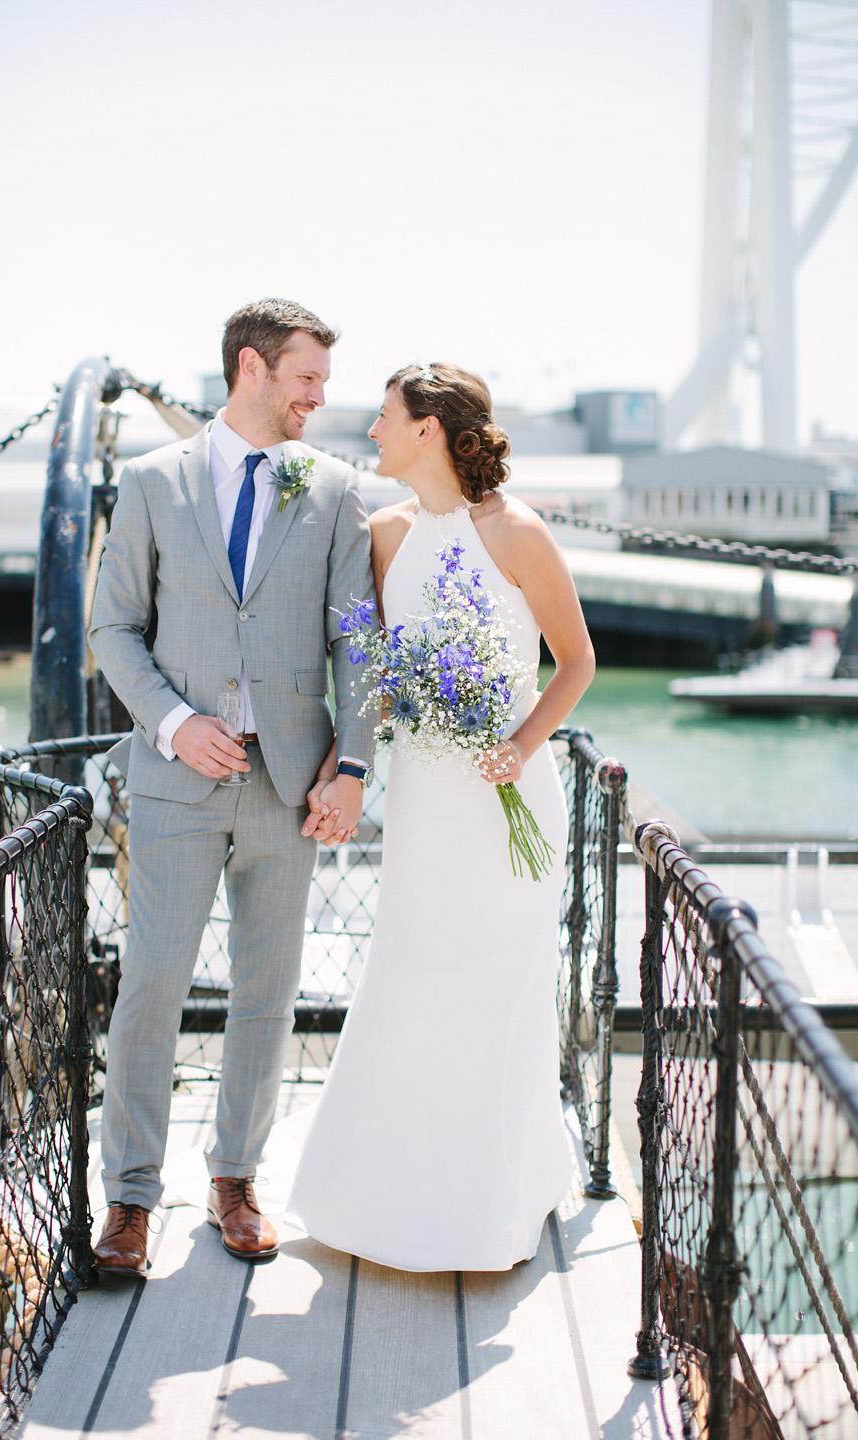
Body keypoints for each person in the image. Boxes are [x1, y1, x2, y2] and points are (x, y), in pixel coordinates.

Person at [88, 298, 375, 1276]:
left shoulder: (335, 489)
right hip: (175, 780)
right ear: (252, 367)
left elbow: (359, 642)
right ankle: (129, 1197)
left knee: (267, 993)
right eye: (307, 378)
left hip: (292, 786)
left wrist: (353, 765)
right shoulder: (151, 482)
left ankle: (235, 1180)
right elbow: (113, 628)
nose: (319, 398)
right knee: (153, 984)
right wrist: (174, 723)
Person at [289, 363, 596, 1272]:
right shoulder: (384, 534)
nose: (373, 431)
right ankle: (386, 1201)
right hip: (422, 799)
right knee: (411, 982)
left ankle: (490, 1205)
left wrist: (521, 743)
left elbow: (576, 661)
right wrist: (342, 768)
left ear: (429, 429)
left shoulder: (519, 531)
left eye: (385, 417)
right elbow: (373, 682)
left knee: (500, 992)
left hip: (507, 801)